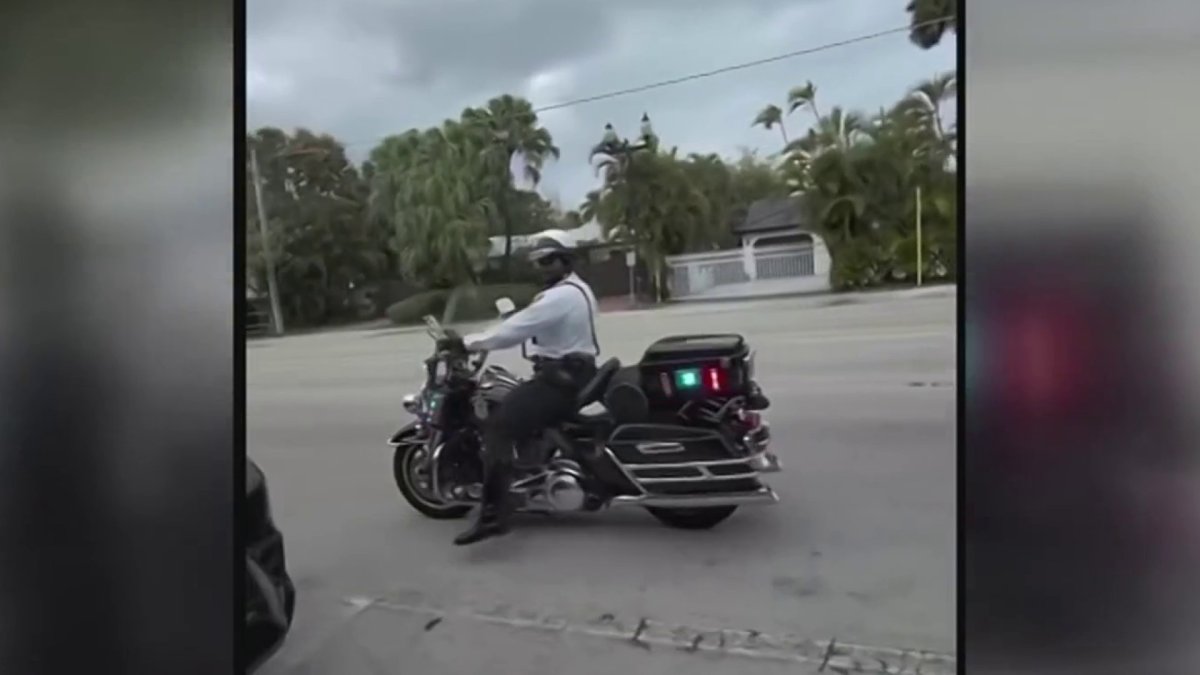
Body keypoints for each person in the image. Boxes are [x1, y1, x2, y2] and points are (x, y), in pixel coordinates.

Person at [452, 230, 601, 545]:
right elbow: (527, 323)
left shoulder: (561, 296)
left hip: (559, 381)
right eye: (538, 261)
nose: (542, 267)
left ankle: (495, 514)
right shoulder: (575, 290)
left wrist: (465, 343)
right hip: (570, 373)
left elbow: (516, 329)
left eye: (548, 260)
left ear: (566, 259)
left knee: (498, 428)